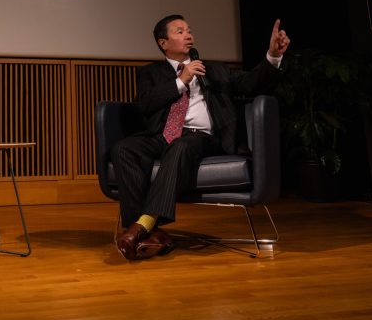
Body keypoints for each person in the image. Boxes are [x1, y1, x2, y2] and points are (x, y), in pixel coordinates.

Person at [112, 14, 290, 260]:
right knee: (124, 148)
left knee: (182, 145)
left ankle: (140, 226)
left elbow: (251, 84)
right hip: (161, 135)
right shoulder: (150, 74)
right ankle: (148, 234)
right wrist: (180, 81)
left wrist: (273, 56)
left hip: (201, 138)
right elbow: (144, 104)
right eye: (180, 30)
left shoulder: (214, 69)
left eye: (189, 30)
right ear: (163, 43)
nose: (188, 34)